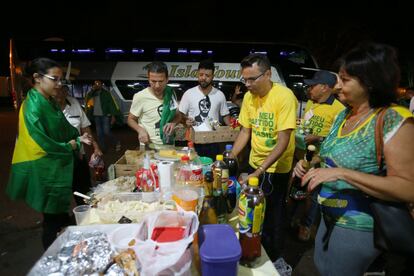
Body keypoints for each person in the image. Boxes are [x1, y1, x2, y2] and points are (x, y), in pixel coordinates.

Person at [293, 43, 414, 275]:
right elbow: (331, 155)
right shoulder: (344, 114)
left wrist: (342, 173)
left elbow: (408, 188)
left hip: (360, 224)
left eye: (345, 79)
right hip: (327, 216)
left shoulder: (393, 119)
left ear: (370, 81)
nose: (337, 85)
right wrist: (310, 163)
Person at [6, 58, 92, 249]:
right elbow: (41, 142)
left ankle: (72, 245)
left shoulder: (48, 101)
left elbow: (64, 127)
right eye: (55, 79)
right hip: (46, 168)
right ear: (37, 78)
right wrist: (72, 144)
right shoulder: (32, 105)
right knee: (53, 220)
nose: (59, 84)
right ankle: (52, 259)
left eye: (61, 80)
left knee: (71, 210)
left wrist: (78, 140)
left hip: (61, 164)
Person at [230, 53, 298, 262]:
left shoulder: (284, 96)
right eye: (245, 79)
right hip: (255, 163)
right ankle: (253, 247)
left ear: (268, 74)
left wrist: (260, 171)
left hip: (276, 167)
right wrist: (229, 156)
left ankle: (274, 257)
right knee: (251, 209)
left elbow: (283, 140)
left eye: (252, 79)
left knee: (273, 214)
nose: (247, 85)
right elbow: (245, 132)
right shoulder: (249, 97)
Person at [293, 70, 345, 241]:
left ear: (325, 88)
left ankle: (306, 226)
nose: (309, 88)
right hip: (304, 156)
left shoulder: (340, 110)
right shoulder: (310, 103)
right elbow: (307, 126)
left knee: (314, 196)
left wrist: (319, 137)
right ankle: (294, 219)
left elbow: (338, 139)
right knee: (298, 189)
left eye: (313, 85)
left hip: (323, 162)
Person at [54, 85, 103, 204]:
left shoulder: (74, 103)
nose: (60, 93)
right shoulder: (46, 107)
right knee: (59, 197)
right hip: (57, 161)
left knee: (84, 193)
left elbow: (85, 128)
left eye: (63, 89)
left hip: (78, 158)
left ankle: (85, 215)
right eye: (57, 90)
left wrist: (95, 147)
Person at [179, 59, 230, 159]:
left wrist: (234, 127)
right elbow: (180, 115)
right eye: (201, 74)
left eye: (207, 76)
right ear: (197, 74)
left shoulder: (219, 95)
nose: (203, 78)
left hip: (213, 141)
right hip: (193, 141)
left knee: (212, 170)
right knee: (192, 169)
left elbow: (225, 116)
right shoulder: (189, 93)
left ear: (212, 77)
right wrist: (185, 120)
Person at [128, 61, 180, 145]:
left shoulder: (171, 93)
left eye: (161, 81)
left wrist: (173, 123)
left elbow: (178, 115)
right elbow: (130, 119)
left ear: (167, 80)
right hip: (148, 146)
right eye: (153, 81)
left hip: (169, 144)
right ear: (148, 79)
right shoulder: (140, 96)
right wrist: (140, 130)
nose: (157, 85)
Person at [84, 80, 121, 152]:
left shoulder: (106, 93)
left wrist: (113, 116)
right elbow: (88, 102)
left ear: (101, 85)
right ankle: (102, 148)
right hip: (96, 116)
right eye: (95, 84)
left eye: (99, 83)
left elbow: (112, 104)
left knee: (106, 131)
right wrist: (92, 90)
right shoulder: (92, 94)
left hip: (105, 115)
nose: (97, 85)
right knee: (99, 134)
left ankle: (116, 142)